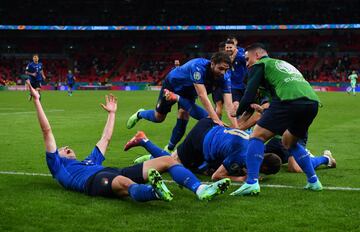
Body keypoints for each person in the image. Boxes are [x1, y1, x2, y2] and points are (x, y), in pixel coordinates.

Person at [27, 81, 230, 202]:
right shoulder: (58, 168)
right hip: (94, 183)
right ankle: (153, 192)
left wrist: (112, 114)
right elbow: (47, 131)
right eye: (63, 149)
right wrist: (37, 100)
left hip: (112, 170)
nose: (66, 148)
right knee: (125, 184)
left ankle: (200, 189)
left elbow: (105, 138)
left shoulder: (90, 161)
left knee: (168, 161)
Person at [231, 43, 322, 196]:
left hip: (288, 101)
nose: (247, 64)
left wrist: (236, 112)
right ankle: (313, 181)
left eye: (247, 59)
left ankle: (251, 183)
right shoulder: (282, 63)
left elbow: (248, 94)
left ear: (257, 55)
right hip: (312, 103)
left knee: (256, 136)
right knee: (288, 142)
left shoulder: (260, 64)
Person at [127, 52, 237, 153]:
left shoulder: (225, 76)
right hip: (172, 85)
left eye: (226, 70)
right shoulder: (198, 67)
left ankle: (169, 149)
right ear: (212, 64)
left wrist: (236, 127)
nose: (223, 72)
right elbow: (202, 96)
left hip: (189, 92)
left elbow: (228, 104)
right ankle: (139, 114)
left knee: (184, 115)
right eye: (221, 68)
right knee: (158, 118)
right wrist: (216, 120)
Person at [125, 118, 282, 182]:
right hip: (199, 140)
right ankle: (143, 140)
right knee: (173, 163)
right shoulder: (241, 155)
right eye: (262, 172)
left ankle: (146, 149)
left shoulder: (256, 143)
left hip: (210, 127)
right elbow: (216, 176)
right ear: (264, 166)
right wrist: (241, 179)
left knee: (193, 165)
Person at [225, 39, 247, 111]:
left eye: (230, 47)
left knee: (246, 106)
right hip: (233, 86)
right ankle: (237, 121)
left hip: (244, 85)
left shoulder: (241, 57)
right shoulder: (224, 57)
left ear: (235, 47)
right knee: (235, 105)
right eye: (227, 47)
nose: (228, 49)